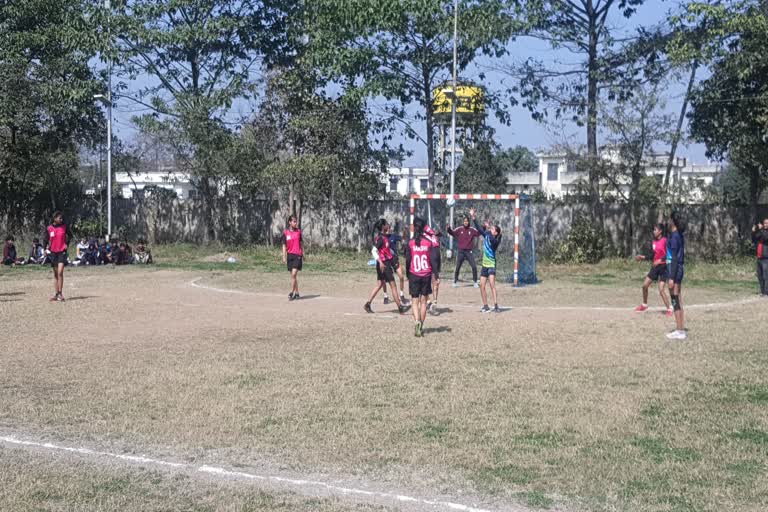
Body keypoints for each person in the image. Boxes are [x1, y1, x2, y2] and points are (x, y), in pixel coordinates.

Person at [364, 219, 409, 314]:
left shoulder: (384, 237)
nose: (389, 225)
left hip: (383, 264)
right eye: (387, 224)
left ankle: (367, 304)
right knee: (393, 286)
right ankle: (400, 307)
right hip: (384, 264)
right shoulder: (381, 238)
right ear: (383, 226)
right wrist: (380, 261)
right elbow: (373, 250)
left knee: (379, 284)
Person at [634, 224, 673, 316]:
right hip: (655, 267)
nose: (653, 231)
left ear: (660, 231)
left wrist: (660, 260)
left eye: (655, 230)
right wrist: (642, 257)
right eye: (653, 229)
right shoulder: (654, 242)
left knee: (661, 289)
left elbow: (669, 255)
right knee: (644, 286)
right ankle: (644, 305)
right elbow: (652, 255)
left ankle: (669, 309)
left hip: (663, 267)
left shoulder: (665, 241)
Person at [405, 217, 434, 337]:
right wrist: (435, 274)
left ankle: (416, 322)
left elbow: (408, 260)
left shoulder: (410, 243)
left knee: (414, 301)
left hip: (414, 274)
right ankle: (421, 324)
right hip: (426, 275)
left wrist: (408, 274)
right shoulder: (428, 243)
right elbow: (432, 260)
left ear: (414, 227)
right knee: (423, 302)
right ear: (424, 228)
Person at [470, 208, 502, 313]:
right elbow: (479, 229)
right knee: (482, 286)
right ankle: (485, 306)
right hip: (485, 265)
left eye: (492, 229)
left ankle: (496, 305)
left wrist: (487, 229)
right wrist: (473, 217)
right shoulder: (488, 235)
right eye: (491, 228)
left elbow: (490, 237)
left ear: (496, 233)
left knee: (492, 284)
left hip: (491, 264)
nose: (490, 229)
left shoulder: (495, 240)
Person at [666, 211, 687, 340]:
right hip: (677, 269)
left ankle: (680, 331)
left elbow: (674, 258)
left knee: (675, 300)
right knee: (677, 300)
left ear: (673, 221)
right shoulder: (678, 235)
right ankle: (680, 329)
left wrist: (671, 277)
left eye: (669, 219)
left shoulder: (674, 237)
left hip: (675, 270)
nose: (668, 222)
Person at [447, 215, 481, 287]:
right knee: (458, 267)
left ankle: (475, 282)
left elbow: (478, 233)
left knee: (474, 266)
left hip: (469, 252)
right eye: (464, 221)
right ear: (463, 222)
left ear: (469, 222)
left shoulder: (472, 229)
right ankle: (455, 282)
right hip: (461, 251)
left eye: (467, 221)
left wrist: (484, 227)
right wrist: (448, 229)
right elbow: (452, 233)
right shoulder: (460, 229)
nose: (466, 222)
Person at [382, 225, 410, 306]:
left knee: (401, 276)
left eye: (390, 228)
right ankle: (385, 296)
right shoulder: (382, 238)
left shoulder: (393, 236)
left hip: (394, 259)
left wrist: (405, 232)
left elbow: (403, 239)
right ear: (385, 230)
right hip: (386, 261)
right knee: (383, 280)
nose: (390, 230)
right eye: (388, 229)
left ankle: (401, 295)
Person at [46, 211, 69, 301]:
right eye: (59, 218)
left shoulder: (64, 226)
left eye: (62, 218)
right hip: (53, 252)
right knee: (56, 274)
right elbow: (45, 239)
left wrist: (67, 243)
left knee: (60, 272)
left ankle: (60, 293)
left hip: (62, 251)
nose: (61, 219)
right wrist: (45, 248)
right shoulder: (49, 228)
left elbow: (69, 236)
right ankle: (56, 294)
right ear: (54, 218)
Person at [281, 214, 303, 300]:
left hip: (298, 255)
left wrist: (303, 254)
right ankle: (297, 293)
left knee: (294, 274)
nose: (295, 223)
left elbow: (301, 244)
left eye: (296, 221)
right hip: (290, 256)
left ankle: (291, 292)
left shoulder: (298, 232)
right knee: (293, 277)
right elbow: (284, 246)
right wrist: (284, 256)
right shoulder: (286, 233)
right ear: (289, 222)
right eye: (293, 221)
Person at [424, 224, 442, 313]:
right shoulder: (425, 237)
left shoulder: (436, 242)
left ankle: (434, 302)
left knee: (435, 282)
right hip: (428, 262)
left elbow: (437, 256)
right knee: (426, 283)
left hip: (435, 260)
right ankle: (428, 302)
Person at [752, 219, 768, 296]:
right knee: (760, 275)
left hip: (766, 258)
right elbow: (754, 239)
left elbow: (765, 238)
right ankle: (762, 291)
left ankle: (766, 292)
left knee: (766, 275)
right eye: (764, 223)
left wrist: (761, 229)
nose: (765, 224)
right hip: (759, 257)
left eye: (767, 223)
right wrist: (754, 232)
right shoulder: (761, 232)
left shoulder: (765, 232)